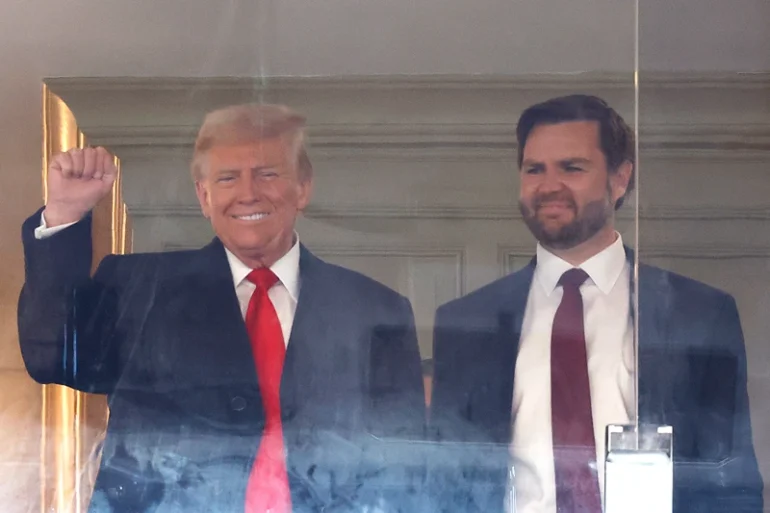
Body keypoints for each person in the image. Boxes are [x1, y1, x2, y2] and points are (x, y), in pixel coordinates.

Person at [18, 104, 425, 513]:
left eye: (267, 173)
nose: (248, 193)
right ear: (204, 196)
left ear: (302, 187)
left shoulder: (374, 309)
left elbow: (407, 465)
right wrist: (66, 213)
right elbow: (51, 356)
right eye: (228, 178)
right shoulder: (139, 287)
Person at [428, 94, 763, 513]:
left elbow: (732, 485)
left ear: (620, 178)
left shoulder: (699, 314)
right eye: (534, 169)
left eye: (572, 167)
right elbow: (441, 484)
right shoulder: (465, 323)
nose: (549, 185)